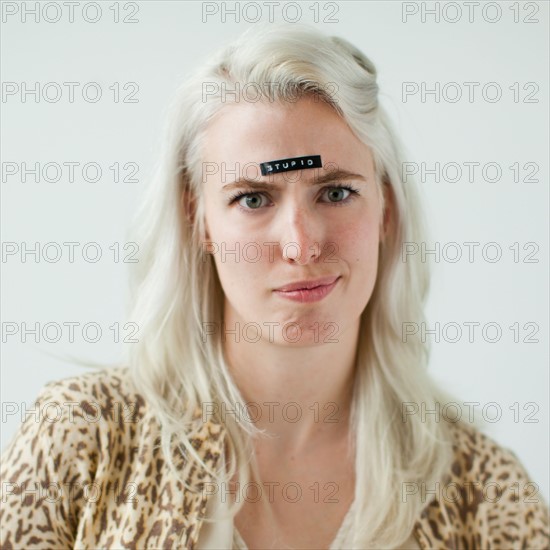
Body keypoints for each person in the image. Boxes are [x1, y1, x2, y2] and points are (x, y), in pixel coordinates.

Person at [1, 24, 548, 550]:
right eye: (254, 198)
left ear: (386, 208)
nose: (301, 246)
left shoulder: (481, 486)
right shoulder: (83, 437)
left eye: (334, 193)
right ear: (199, 221)